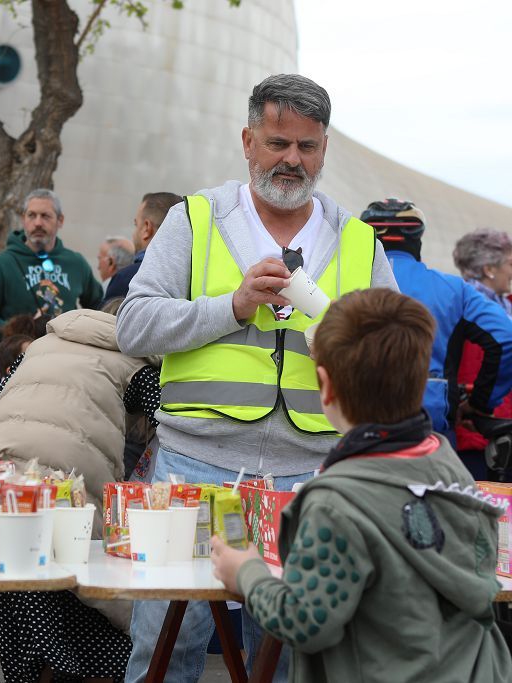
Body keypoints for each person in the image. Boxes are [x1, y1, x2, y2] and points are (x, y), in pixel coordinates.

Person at [115, 74, 398, 683]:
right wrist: (232, 307)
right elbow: (133, 327)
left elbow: (390, 360)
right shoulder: (194, 219)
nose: (292, 159)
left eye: (307, 146)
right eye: (277, 143)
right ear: (248, 141)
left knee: (302, 653)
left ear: (324, 150)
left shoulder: (357, 240)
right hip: (194, 469)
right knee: (165, 651)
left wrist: (341, 343)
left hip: (313, 478)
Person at [211, 288, 512, 683]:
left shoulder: (335, 503)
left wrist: (246, 572)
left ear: (326, 385)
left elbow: (306, 621)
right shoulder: (449, 465)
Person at [0, 304, 160, 682]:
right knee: (89, 597)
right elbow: (174, 423)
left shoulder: (43, 344)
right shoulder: (135, 360)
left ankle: (43, 668)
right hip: (67, 488)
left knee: (27, 598)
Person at [360, 199, 512, 459]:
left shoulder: (341, 282)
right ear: (417, 238)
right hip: (431, 428)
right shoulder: (453, 289)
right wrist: (480, 403)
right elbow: (506, 338)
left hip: (353, 422)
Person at [0, 189, 104, 342]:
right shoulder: (0, 265)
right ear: (23, 219)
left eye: (45, 216)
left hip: (65, 356)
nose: (37, 223)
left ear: (60, 220)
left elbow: (99, 308)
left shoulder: (76, 263)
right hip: (18, 359)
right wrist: (20, 331)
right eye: (31, 215)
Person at [453, 228, 512, 475]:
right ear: (489, 269)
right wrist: (479, 406)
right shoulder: (464, 305)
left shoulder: (502, 305)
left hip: (498, 429)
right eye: (509, 263)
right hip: (477, 431)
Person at [104, 192, 183, 302]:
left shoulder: (128, 279)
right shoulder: (193, 279)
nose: (133, 233)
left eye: (136, 225)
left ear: (146, 228)